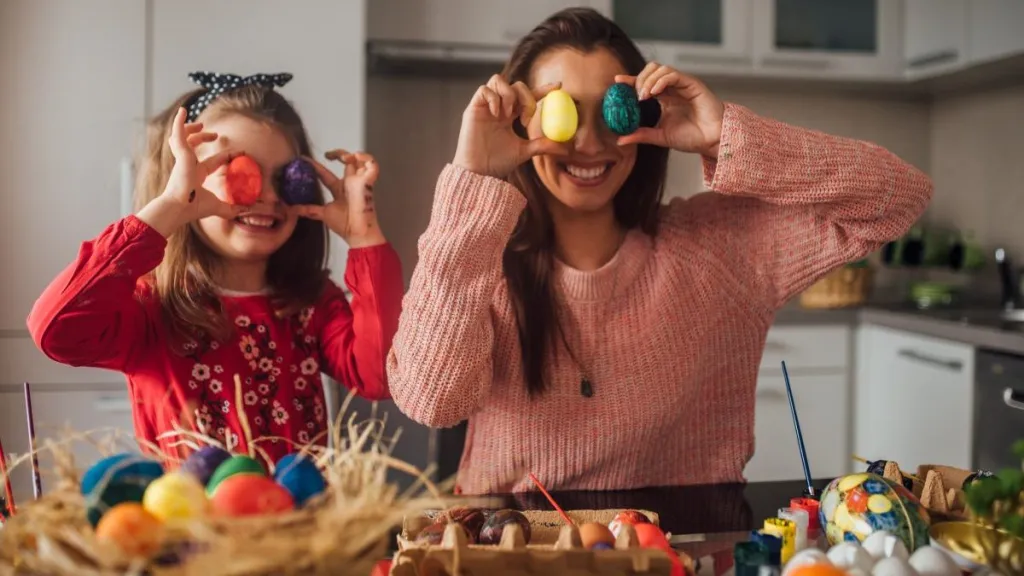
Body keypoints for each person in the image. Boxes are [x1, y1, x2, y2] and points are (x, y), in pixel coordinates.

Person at [387, 8, 933, 494]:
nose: (590, 143)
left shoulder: (717, 250)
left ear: (642, 114)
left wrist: (727, 136)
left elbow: (898, 197)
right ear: (522, 120)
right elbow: (433, 400)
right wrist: (474, 175)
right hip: (514, 552)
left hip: (681, 551)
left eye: (612, 111)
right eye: (565, 112)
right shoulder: (480, 261)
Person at [27, 72, 403, 466]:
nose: (269, 196)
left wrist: (365, 238)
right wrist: (169, 208)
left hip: (305, 526)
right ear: (186, 181)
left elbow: (380, 375)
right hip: (192, 526)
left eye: (287, 178)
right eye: (241, 173)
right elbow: (57, 329)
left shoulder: (308, 303)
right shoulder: (153, 308)